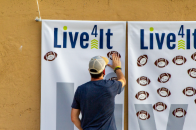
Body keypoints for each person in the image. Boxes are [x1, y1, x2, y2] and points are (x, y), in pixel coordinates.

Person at [71, 53, 126, 130]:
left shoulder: (80, 89)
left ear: (89, 71)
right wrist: (117, 68)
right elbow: (123, 81)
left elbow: (74, 118)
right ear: (104, 71)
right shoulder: (110, 86)